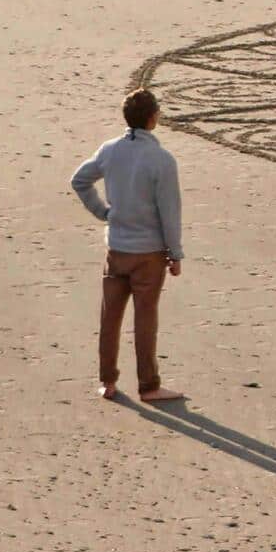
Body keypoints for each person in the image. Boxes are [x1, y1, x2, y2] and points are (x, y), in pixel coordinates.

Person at [71, 88, 186, 402]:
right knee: (145, 319)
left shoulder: (110, 150)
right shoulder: (162, 160)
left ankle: (107, 381)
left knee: (110, 318)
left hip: (117, 248)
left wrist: (103, 212)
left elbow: (79, 180)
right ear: (153, 118)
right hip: (148, 253)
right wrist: (175, 254)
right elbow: (170, 212)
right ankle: (149, 386)